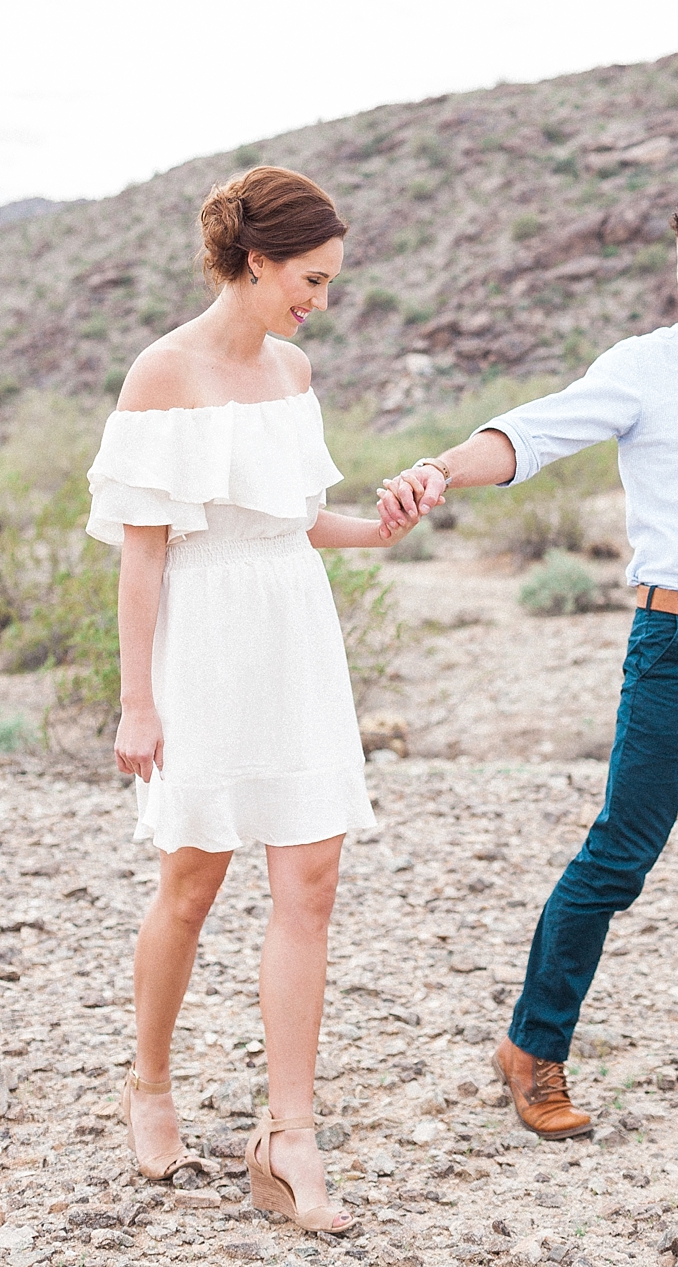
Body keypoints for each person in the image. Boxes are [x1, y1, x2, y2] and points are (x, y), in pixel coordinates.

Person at [377, 181, 678, 1137]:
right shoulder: (643, 368)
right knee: (620, 858)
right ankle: (533, 1051)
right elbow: (533, 434)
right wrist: (440, 468)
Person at [86, 166, 420, 1231]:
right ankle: (147, 1082)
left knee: (309, 881)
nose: (317, 298)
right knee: (192, 879)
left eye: (328, 281)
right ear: (256, 260)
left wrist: (379, 526)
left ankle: (288, 1136)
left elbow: (298, 516)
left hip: (295, 629)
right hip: (205, 640)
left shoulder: (293, 366)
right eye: (308, 278)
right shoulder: (162, 372)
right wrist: (137, 701)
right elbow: (142, 558)